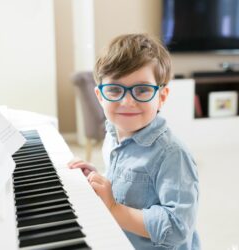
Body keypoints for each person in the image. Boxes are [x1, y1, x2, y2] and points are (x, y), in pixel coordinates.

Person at [68, 34, 200, 249]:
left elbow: (178, 230)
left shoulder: (172, 155)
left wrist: (113, 208)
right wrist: (97, 178)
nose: (127, 101)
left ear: (162, 97)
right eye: (114, 90)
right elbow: (124, 183)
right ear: (100, 96)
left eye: (142, 90)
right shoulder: (112, 134)